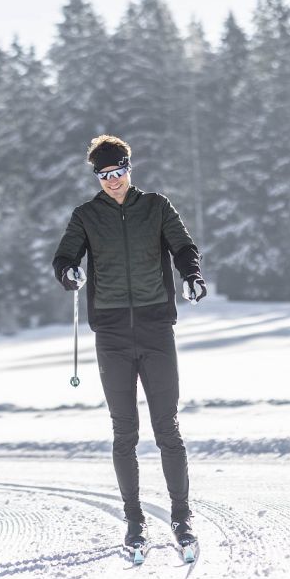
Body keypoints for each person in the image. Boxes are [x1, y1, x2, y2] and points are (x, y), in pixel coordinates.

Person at [51, 135, 207, 554]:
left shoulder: (156, 207)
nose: (112, 180)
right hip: (112, 335)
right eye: (103, 175)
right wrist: (68, 273)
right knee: (124, 433)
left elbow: (183, 247)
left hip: (156, 329)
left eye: (118, 171)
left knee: (167, 428)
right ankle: (134, 521)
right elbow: (64, 258)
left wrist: (192, 276)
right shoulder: (86, 216)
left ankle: (182, 516)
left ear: (128, 167)